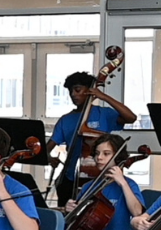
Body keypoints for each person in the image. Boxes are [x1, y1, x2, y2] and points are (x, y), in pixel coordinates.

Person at [47, 72, 136, 207]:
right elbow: (47, 147)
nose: (73, 94)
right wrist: (48, 157)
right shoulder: (65, 120)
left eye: (77, 90)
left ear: (89, 91)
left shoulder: (103, 114)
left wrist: (104, 97)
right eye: (70, 91)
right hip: (70, 176)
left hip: (100, 175)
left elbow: (131, 118)